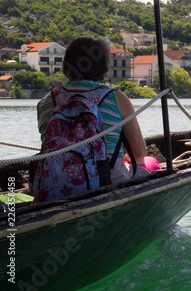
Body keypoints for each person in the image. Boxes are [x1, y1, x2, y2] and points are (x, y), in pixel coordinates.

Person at [36, 35, 152, 186]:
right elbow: (138, 155)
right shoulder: (117, 98)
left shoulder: (46, 101)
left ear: (66, 64)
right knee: (150, 163)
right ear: (103, 66)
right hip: (108, 180)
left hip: (55, 183)